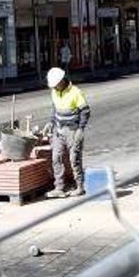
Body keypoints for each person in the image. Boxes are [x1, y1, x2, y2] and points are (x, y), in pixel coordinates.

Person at [44, 66, 90, 198]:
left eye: (56, 85)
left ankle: (80, 186)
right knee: (56, 158)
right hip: (59, 130)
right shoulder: (54, 92)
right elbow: (55, 109)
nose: (54, 87)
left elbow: (85, 111)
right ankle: (59, 187)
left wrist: (81, 129)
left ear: (62, 81)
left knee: (74, 159)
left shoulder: (75, 92)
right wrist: (51, 122)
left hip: (73, 131)